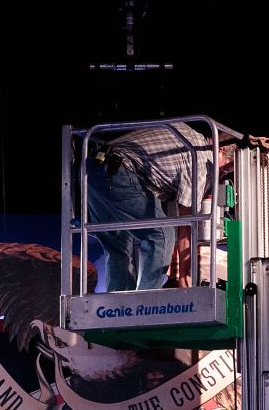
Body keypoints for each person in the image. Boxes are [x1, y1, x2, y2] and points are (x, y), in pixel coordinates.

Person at [87, 121, 233, 293]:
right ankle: (145, 304)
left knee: (118, 247)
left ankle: (120, 309)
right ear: (221, 149)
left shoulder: (189, 137)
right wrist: (185, 278)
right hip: (120, 170)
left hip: (94, 166)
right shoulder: (202, 160)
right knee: (162, 234)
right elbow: (187, 224)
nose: (225, 173)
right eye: (228, 166)